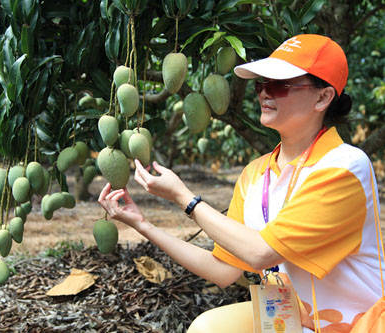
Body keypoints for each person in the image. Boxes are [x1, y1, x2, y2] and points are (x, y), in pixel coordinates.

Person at [98, 34, 383, 332]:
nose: (263, 94)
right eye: (261, 85)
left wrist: (185, 198)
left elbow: (261, 252)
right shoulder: (255, 174)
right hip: (293, 319)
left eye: (278, 85)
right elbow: (224, 270)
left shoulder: (344, 166)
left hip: (361, 324)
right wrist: (143, 225)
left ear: (323, 97)